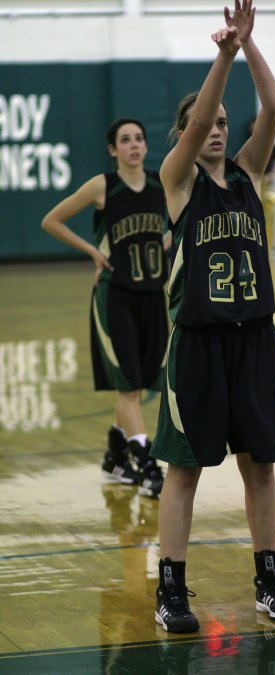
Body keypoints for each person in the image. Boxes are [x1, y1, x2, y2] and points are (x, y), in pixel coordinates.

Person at [150, 0, 275, 634]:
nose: (216, 127)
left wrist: (249, 42)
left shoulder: (247, 175)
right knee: (183, 471)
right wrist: (223, 55)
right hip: (200, 343)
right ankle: (171, 592)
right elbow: (200, 120)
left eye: (221, 121)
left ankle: (269, 581)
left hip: (255, 341)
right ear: (187, 131)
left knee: (260, 466)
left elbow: (272, 108)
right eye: (203, 122)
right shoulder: (178, 180)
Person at [41, 118, 169, 497]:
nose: (134, 145)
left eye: (139, 139)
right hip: (115, 297)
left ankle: (115, 456)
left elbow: (182, 220)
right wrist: (93, 252)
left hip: (152, 295)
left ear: (146, 146)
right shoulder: (103, 186)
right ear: (113, 150)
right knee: (129, 386)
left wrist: (165, 240)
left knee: (140, 385)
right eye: (125, 140)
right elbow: (52, 220)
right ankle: (147, 466)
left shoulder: (161, 182)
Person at [247, 116, 275, 252]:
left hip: (268, 183)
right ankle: (256, 246)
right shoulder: (249, 145)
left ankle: (270, 247)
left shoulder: (272, 144)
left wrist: (272, 175)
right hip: (255, 184)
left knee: (270, 216)